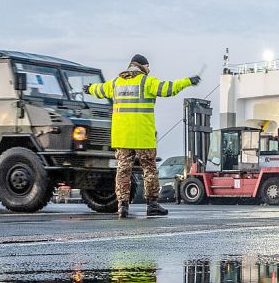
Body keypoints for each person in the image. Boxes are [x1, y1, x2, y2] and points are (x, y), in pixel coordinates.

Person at [85, 54, 199, 219]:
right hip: (143, 137)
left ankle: (122, 206)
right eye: (148, 66)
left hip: (122, 137)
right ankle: (152, 205)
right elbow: (170, 88)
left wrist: (89, 88)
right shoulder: (147, 82)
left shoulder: (116, 83)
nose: (149, 69)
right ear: (142, 66)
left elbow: (99, 89)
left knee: (123, 171)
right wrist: (188, 81)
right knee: (149, 170)